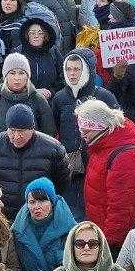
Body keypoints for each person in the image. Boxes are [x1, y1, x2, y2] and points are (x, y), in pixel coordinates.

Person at [78, 99, 135, 252]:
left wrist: (108, 243)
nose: (82, 135)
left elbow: (121, 207)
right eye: (81, 130)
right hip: (100, 230)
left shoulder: (125, 157)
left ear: (101, 127)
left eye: (86, 131)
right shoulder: (101, 145)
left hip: (117, 240)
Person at [0, 102, 70, 217]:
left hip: (37, 216)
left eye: (21, 131)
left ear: (32, 129)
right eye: (12, 130)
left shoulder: (53, 149)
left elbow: (62, 183)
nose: (16, 136)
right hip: (3, 214)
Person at [52, 48, 119, 214]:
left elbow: (118, 129)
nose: (72, 73)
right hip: (69, 167)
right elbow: (54, 128)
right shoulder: (59, 98)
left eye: (77, 69)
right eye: (68, 69)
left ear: (87, 70)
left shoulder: (105, 96)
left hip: (98, 164)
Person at [12, 177, 76, 271]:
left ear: (52, 202)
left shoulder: (70, 230)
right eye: (32, 202)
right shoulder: (17, 230)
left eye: (42, 201)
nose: (37, 206)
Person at [0, 53, 55, 145]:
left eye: (21, 73)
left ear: (27, 76)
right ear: (5, 76)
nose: (17, 78)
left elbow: (49, 134)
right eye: (12, 73)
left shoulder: (38, 100)